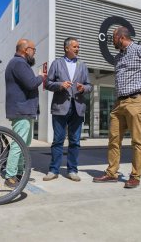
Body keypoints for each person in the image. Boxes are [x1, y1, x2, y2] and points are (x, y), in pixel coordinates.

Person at [93, 26, 141, 188]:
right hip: (120, 103)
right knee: (113, 139)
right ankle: (112, 173)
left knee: (137, 141)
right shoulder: (118, 58)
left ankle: (135, 176)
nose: (112, 41)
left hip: (136, 100)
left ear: (120, 37)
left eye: (113, 38)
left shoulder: (140, 50)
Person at [43, 37, 92, 182]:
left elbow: (89, 85)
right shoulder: (57, 64)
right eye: (75, 47)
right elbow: (48, 83)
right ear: (66, 48)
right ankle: (53, 170)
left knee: (75, 141)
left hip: (77, 108)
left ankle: (72, 170)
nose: (78, 49)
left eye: (78, 46)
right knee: (58, 140)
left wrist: (84, 88)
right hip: (60, 107)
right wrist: (59, 85)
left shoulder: (82, 65)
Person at [4, 39, 45, 188]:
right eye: (33, 49)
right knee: (18, 144)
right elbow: (31, 83)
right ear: (25, 50)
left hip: (24, 110)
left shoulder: (18, 63)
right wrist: (42, 77)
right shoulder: (19, 63)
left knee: (24, 144)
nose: (34, 52)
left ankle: (20, 173)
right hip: (21, 110)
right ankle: (10, 176)